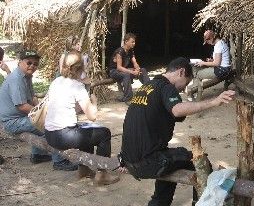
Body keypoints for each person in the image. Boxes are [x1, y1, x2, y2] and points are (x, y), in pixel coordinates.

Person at [119, 57, 235, 206]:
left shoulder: (146, 87)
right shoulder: (167, 87)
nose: (183, 88)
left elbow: (173, 115)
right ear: (181, 72)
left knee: (171, 161)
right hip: (148, 162)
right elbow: (177, 109)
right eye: (185, 83)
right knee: (199, 162)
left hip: (129, 161)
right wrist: (214, 101)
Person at [44, 50, 120, 185]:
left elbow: (71, 107)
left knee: (86, 132)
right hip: (63, 135)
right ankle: (103, 174)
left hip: (50, 134)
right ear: (81, 68)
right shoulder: (77, 86)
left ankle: (84, 169)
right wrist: (94, 102)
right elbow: (92, 116)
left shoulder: (56, 82)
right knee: (104, 133)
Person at [0, 50, 77, 171]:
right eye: (29, 62)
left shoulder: (26, 76)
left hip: (17, 117)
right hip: (11, 122)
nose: (32, 66)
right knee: (52, 125)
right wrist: (43, 114)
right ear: (20, 62)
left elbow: (32, 98)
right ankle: (60, 161)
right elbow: (22, 106)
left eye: (35, 64)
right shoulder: (16, 79)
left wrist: (43, 109)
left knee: (46, 121)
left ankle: (38, 155)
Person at [187, 29, 232, 98]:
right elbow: (220, 60)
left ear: (211, 38)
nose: (207, 43)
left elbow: (217, 63)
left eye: (207, 41)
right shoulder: (221, 43)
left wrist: (203, 63)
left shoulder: (218, 45)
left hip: (221, 70)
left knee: (198, 74)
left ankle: (197, 96)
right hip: (225, 68)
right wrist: (211, 60)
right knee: (197, 70)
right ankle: (193, 92)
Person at [109, 33, 150, 102]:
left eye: (134, 42)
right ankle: (128, 97)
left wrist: (137, 69)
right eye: (132, 42)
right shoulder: (119, 52)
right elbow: (119, 67)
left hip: (122, 70)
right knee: (126, 75)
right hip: (114, 71)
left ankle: (149, 90)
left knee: (142, 70)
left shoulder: (130, 51)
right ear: (126, 41)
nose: (134, 43)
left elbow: (135, 63)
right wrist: (132, 72)